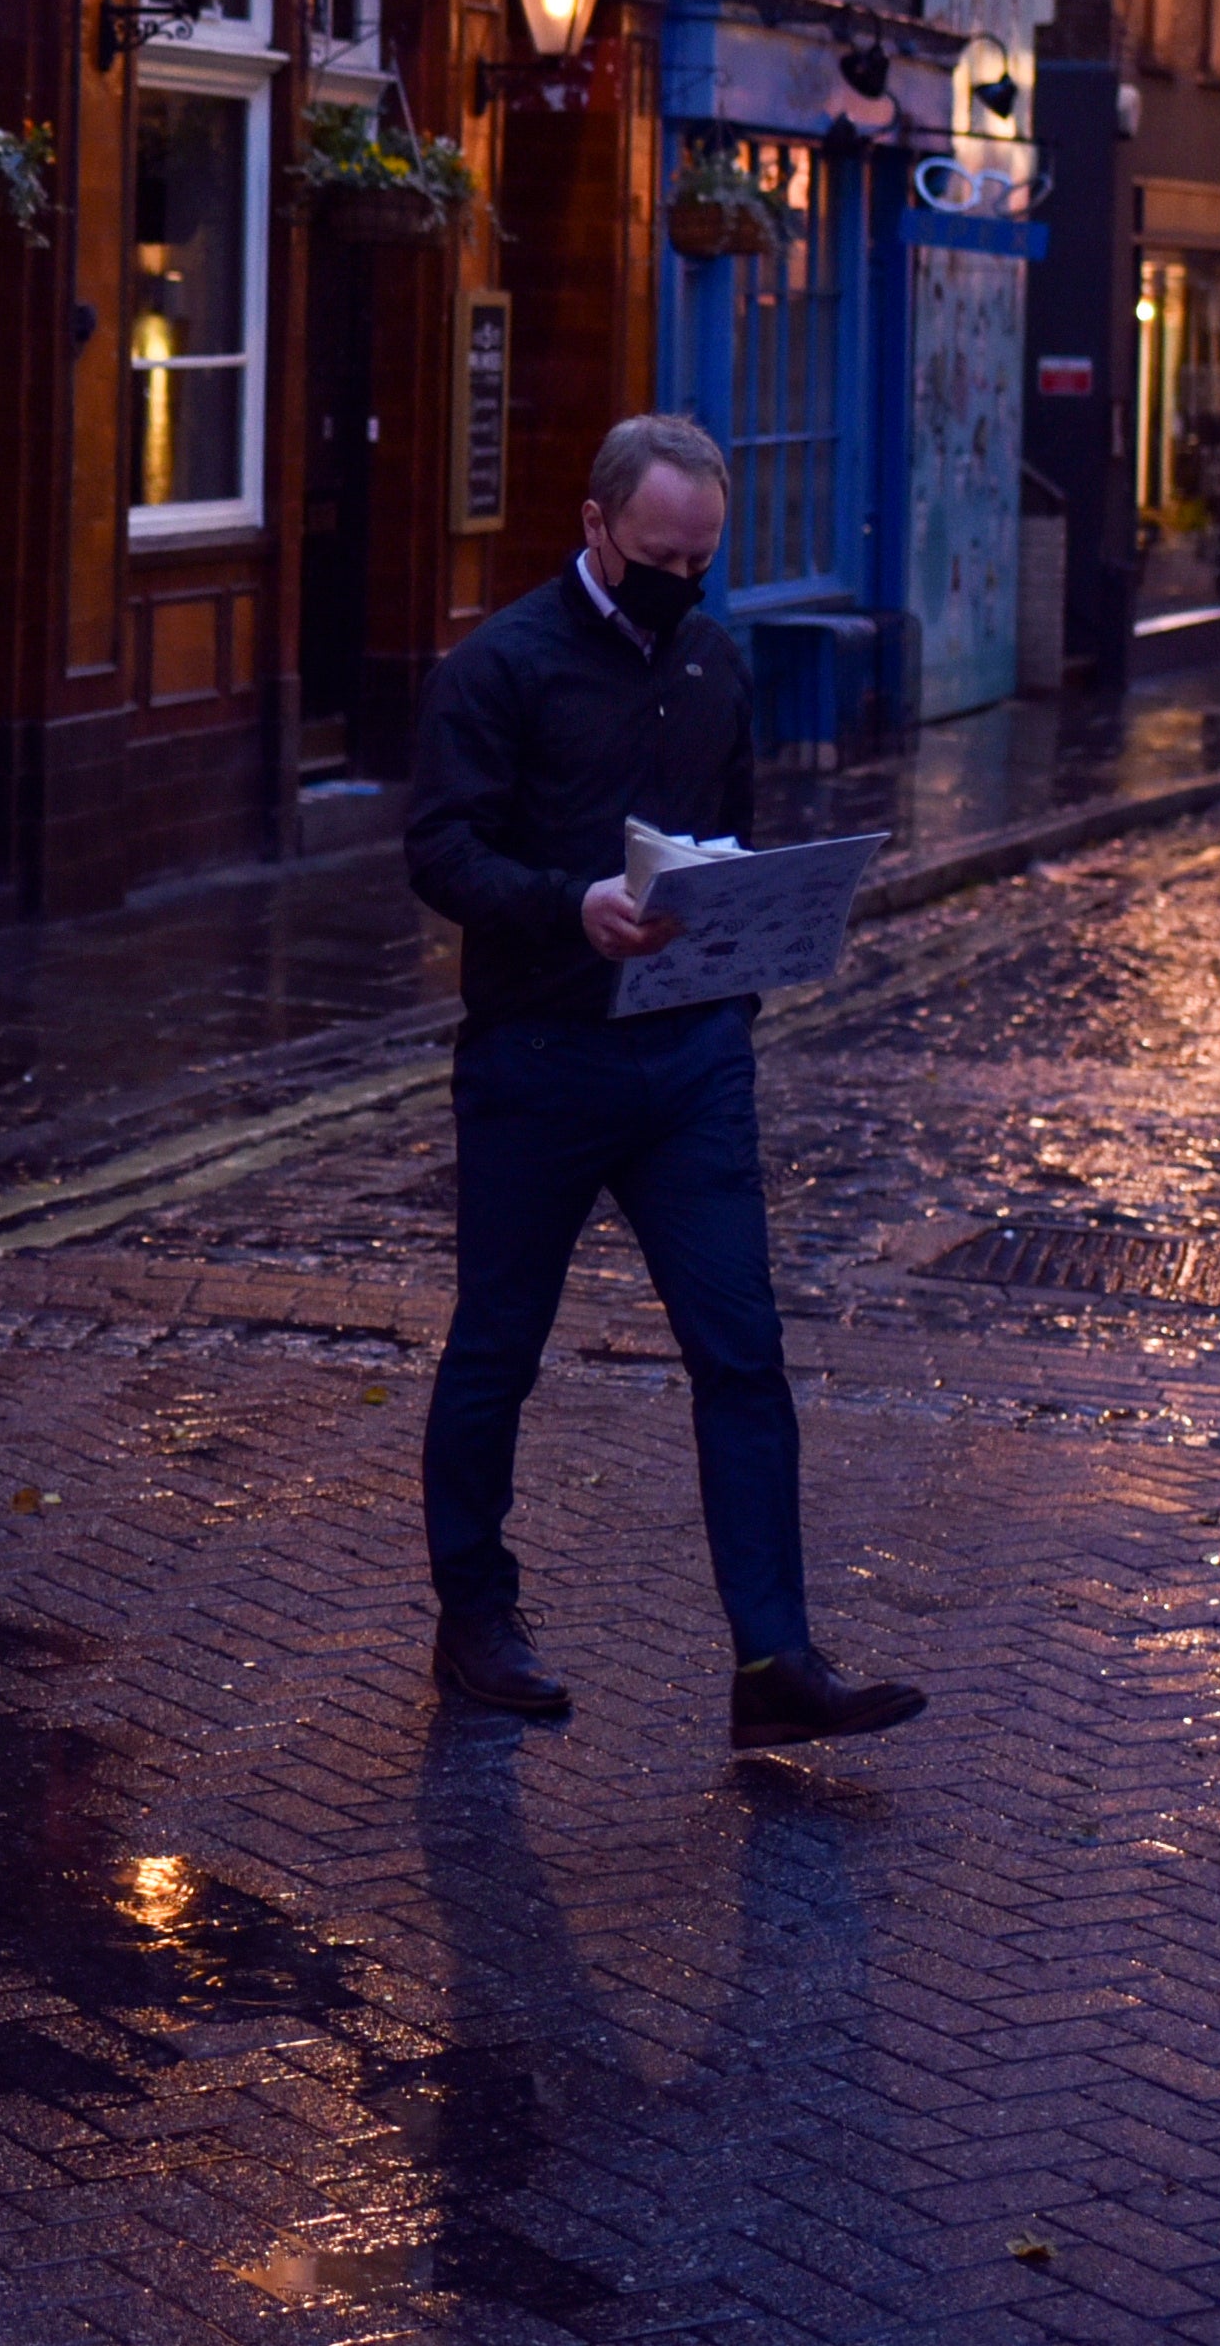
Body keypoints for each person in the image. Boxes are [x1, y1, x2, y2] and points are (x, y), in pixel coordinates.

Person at [402, 412, 924, 1751]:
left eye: (701, 562)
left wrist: (758, 922)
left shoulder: (711, 662)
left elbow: (729, 836)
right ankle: (477, 1619)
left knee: (741, 1351)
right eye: (657, 555)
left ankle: (775, 1663)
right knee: (496, 1350)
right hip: (538, 1056)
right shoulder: (499, 668)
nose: (680, 582)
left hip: (691, 1056)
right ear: (595, 525)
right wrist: (564, 904)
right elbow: (439, 855)